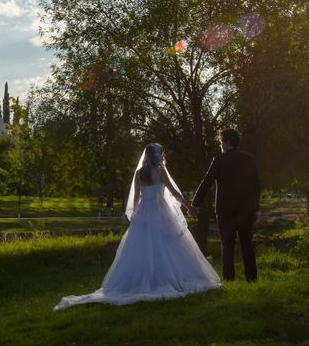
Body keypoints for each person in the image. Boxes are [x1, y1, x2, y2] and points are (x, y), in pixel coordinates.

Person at [54, 143, 220, 310]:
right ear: (158, 155)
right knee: (168, 245)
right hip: (161, 211)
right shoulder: (161, 172)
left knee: (143, 247)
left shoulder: (139, 173)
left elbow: (135, 199)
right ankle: (165, 279)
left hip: (144, 213)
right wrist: (188, 206)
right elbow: (174, 193)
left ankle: (146, 279)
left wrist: (136, 215)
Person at [191, 129, 261, 282]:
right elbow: (256, 185)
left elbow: (206, 183)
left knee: (227, 246)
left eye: (221, 142)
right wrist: (256, 207)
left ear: (227, 142)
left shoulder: (219, 160)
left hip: (225, 210)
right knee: (247, 245)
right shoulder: (250, 160)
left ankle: (229, 278)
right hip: (246, 209)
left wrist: (194, 204)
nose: (221, 145)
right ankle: (252, 278)